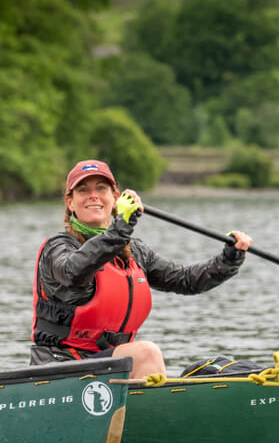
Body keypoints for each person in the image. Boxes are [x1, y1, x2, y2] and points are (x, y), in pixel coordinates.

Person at [31, 159, 252, 378]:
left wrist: (229, 259)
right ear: (70, 203)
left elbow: (186, 280)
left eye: (101, 188)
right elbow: (74, 271)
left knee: (217, 366)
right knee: (146, 353)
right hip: (58, 368)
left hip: (106, 366)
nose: (93, 195)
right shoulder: (58, 248)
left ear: (115, 199)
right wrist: (121, 229)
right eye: (83, 190)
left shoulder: (135, 252)